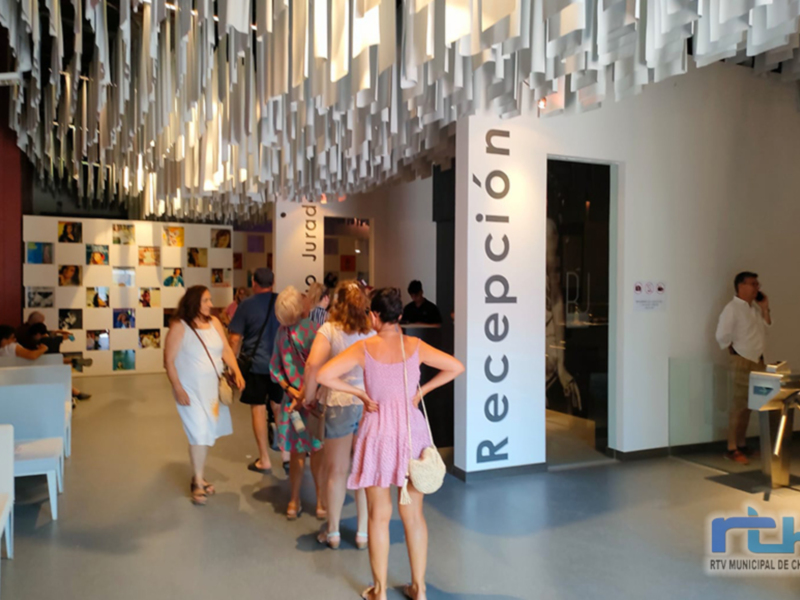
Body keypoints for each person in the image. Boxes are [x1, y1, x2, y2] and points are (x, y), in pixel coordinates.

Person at [317, 288, 464, 600]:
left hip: (378, 433)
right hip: (412, 432)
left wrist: (360, 394)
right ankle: (419, 589)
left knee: (378, 516)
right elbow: (456, 367)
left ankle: (380, 590)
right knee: (414, 515)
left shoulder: (364, 347)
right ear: (399, 316)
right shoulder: (415, 345)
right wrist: (421, 392)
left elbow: (325, 374)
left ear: (374, 316)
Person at [303, 281, 373, 550]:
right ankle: (363, 533)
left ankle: (332, 532)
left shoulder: (329, 330)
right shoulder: (371, 332)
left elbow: (313, 365)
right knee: (364, 469)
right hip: (367, 403)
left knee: (336, 470)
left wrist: (309, 396)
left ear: (337, 303)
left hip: (338, 402)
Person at [164, 285, 245, 505]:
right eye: (206, 300)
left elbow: (226, 350)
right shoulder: (180, 327)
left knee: (207, 432)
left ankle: (198, 475)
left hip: (212, 390)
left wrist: (237, 371)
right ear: (194, 303)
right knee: (199, 432)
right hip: (189, 390)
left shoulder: (215, 322)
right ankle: (198, 482)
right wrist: (177, 388)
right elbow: (168, 360)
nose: (211, 304)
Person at [269, 286, 324, 520]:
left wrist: (291, 391)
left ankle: (294, 500)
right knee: (317, 450)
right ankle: (321, 501)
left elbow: (274, 368)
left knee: (297, 452)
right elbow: (319, 367)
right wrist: (305, 395)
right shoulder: (315, 331)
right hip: (313, 403)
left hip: (292, 405)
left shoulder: (281, 333)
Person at [228, 268, 282, 474]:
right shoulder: (281, 302)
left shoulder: (246, 305)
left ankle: (264, 459)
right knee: (278, 406)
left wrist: (232, 367)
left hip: (256, 365)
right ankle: (287, 455)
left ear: (254, 282)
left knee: (258, 408)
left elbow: (234, 339)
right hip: (279, 365)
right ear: (273, 282)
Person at [716, 271, 772, 465]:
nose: (757, 287)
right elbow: (721, 335)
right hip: (742, 360)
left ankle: (742, 443)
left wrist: (764, 308)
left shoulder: (753, 309)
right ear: (741, 286)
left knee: (749, 405)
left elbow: (767, 327)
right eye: (753, 284)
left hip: (757, 360)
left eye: (757, 284)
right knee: (738, 405)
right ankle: (732, 447)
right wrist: (734, 351)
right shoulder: (732, 308)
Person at [16, 313, 92, 400]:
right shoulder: (38, 337)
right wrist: (58, 332)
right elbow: (69, 336)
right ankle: (72, 364)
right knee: (56, 364)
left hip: (38, 360)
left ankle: (74, 390)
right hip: (37, 361)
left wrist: (55, 332)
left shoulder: (23, 330)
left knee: (55, 363)